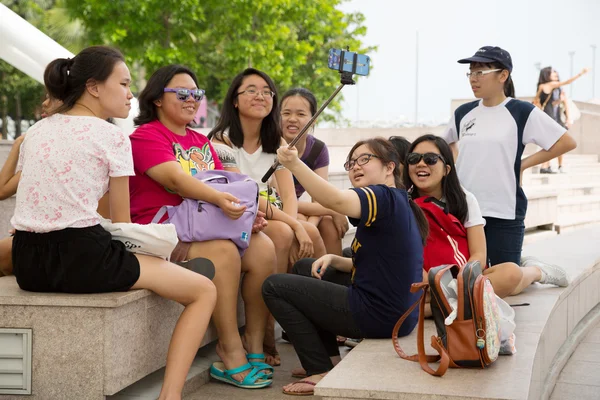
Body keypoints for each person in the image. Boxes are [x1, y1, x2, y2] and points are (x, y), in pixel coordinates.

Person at [11, 46, 217, 400]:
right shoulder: (112, 137)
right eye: (123, 84)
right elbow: (122, 224)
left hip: (27, 261)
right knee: (203, 291)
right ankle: (171, 396)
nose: (130, 94)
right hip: (82, 261)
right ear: (93, 86)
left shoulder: (37, 131)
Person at [128, 64, 276, 388]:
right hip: (162, 228)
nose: (191, 99)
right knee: (224, 252)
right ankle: (229, 349)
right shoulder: (145, 135)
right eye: (182, 93)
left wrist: (247, 215)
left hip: (203, 225)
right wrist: (223, 201)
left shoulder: (199, 139)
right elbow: (175, 180)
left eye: (196, 93)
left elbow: (229, 183)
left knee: (264, 249)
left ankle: (253, 343)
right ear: (156, 99)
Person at [262, 137, 428, 395]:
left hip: (379, 315)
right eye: (351, 163)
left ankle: (318, 370)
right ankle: (329, 358)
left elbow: (336, 202)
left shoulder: (382, 196)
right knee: (306, 267)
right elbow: (383, 262)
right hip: (398, 315)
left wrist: (294, 164)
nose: (355, 167)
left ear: (390, 167)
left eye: (365, 159)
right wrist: (335, 259)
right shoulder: (397, 201)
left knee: (273, 286)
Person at [208, 69, 326, 365]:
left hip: (267, 214)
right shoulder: (220, 141)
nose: (260, 96)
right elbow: (242, 194)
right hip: (234, 215)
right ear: (234, 100)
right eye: (250, 90)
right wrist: (294, 225)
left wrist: (297, 224)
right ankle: (267, 333)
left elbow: (289, 197)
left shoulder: (278, 145)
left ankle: (318, 323)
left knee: (309, 235)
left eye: (266, 91)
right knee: (287, 234)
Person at [442, 46, 575, 284]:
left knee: (506, 282)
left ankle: (537, 271)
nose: (473, 78)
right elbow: (444, 145)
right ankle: (524, 265)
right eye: (470, 72)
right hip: (464, 209)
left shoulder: (521, 111)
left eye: (481, 72)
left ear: (503, 75)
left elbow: (566, 141)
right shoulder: (463, 113)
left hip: (504, 209)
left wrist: (522, 165)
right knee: (469, 280)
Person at [406, 134, 566, 301]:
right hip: (427, 282)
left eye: (430, 159)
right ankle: (456, 302)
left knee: (510, 274)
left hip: (463, 278)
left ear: (447, 169)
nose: (421, 164)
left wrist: (460, 283)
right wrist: (432, 284)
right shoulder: (402, 202)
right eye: (414, 158)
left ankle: (536, 272)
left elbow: (478, 254)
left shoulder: (465, 200)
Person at [280, 88, 348, 256]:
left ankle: (335, 277)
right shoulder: (272, 146)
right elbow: (280, 201)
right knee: (311, 222)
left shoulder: (317, 149)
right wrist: (332, 210)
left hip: (298, 207)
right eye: (286, 113)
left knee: (328, 223)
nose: (292, 119)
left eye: (301, 114)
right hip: (276, 206)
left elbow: (320, 199)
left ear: (313, 119)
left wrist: (317, 219)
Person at [536, 66, 590, 173]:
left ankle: (547, 166)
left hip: (550, 119)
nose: (555, 74)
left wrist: (559, 104)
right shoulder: (552, 85)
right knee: (556, 144)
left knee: (553, 144)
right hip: (552, 120)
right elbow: (567, 82)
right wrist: (581, 73)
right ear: (547, 74)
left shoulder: (544, 86)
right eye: (553, 73)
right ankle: (546, 166)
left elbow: (537, 101)